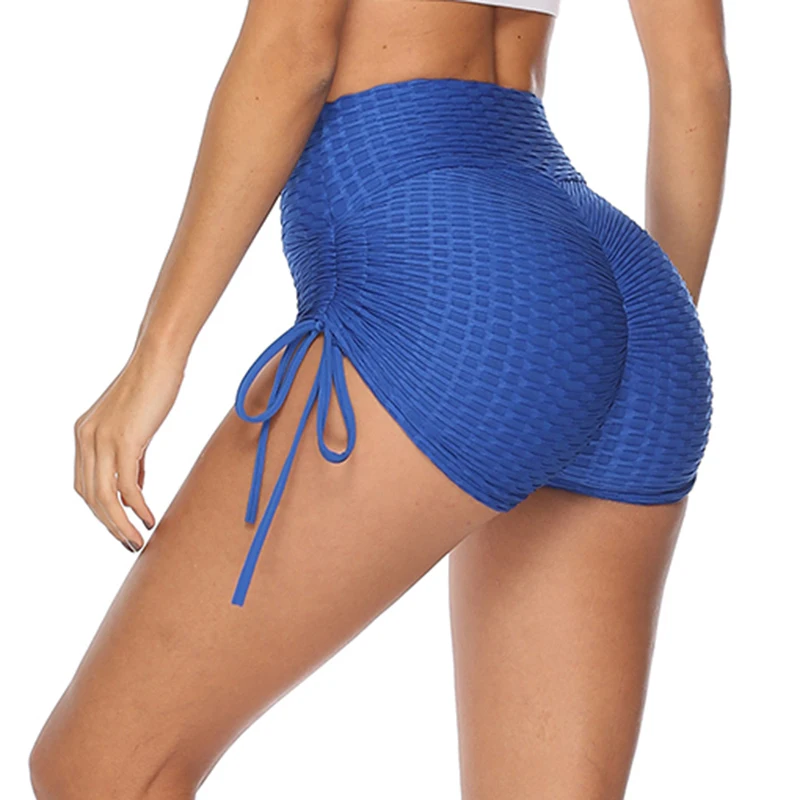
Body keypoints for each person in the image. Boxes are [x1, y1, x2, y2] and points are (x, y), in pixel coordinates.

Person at [29, 0, 730, 797]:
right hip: (637, 302)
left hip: (450, 265)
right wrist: (595, 346)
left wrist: (157, 355)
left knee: (99, 770)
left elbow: (294, 50)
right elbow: (696, 76)